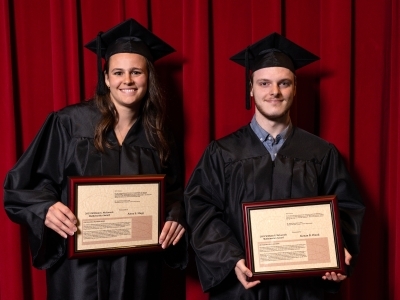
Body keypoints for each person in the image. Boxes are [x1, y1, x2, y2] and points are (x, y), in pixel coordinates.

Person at [4, 18, 187, 300]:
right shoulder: (69, 124)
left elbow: (173, 191)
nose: (127, 80)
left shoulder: (158, 135)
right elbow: (22, 187)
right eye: (118, 72)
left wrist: (175, 216)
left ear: (148, 78)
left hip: (137, 267)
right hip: (79, 271)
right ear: (106, 79)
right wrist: (46, 209)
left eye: (136, 72)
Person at [184, 33, 365, 299]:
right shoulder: (222, 152)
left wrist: (338, 252)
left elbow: (347, 210)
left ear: (295, 88)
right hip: (242, 289)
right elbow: (200, 211)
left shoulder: (320, 153)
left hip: (302, 289)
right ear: (251, 88)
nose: (274, 92)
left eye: (284, 83)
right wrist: (233, 259)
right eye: (264, 83)